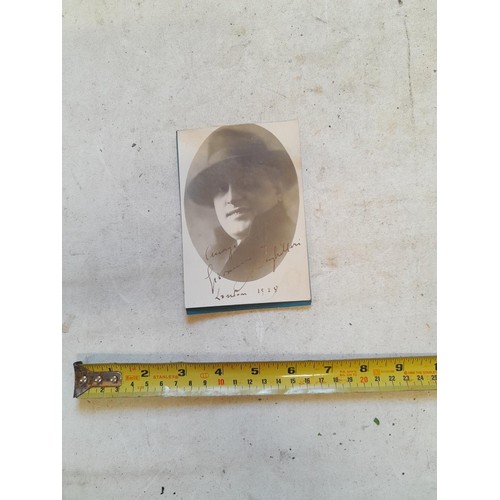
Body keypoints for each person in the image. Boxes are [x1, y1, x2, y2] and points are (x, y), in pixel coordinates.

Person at [185, 123, 299, 282]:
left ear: (278, 189)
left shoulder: (287, 245)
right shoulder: (218, 256)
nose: (232, 198)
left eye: (246, 183)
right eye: (222, 188)